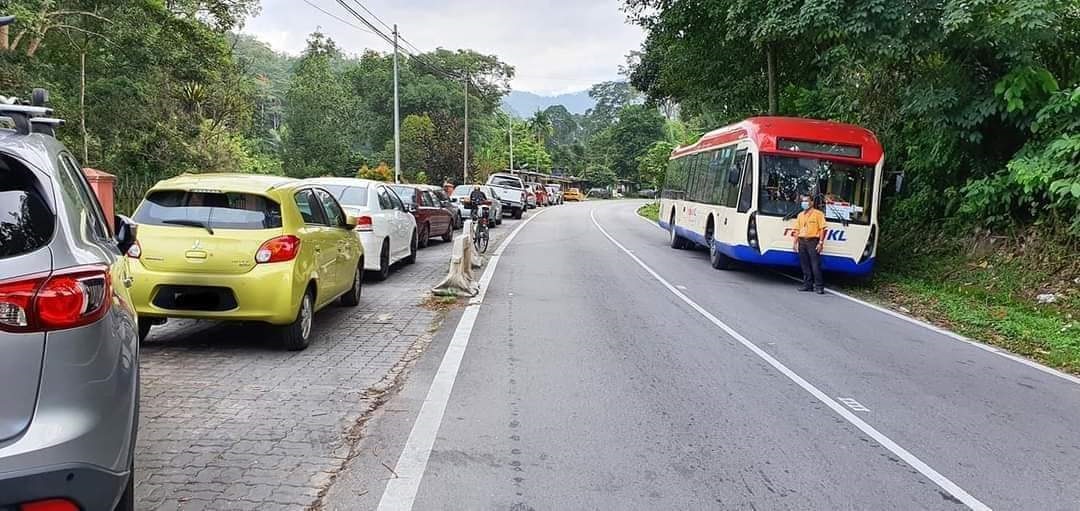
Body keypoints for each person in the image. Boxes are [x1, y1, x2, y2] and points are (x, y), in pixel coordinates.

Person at [793, 193, 827, 294]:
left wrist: (820, 243)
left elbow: (822, 229)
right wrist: (795, 242)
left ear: (811, 202)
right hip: (802, 241)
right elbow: (797, 230)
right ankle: (808, 285)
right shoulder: (800, 215)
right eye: (803, 201)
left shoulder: (818, 214)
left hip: (813, 241)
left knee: (815, 264)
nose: (804, 203)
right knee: (804, 264)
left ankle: (819, 286)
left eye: (806, 201)